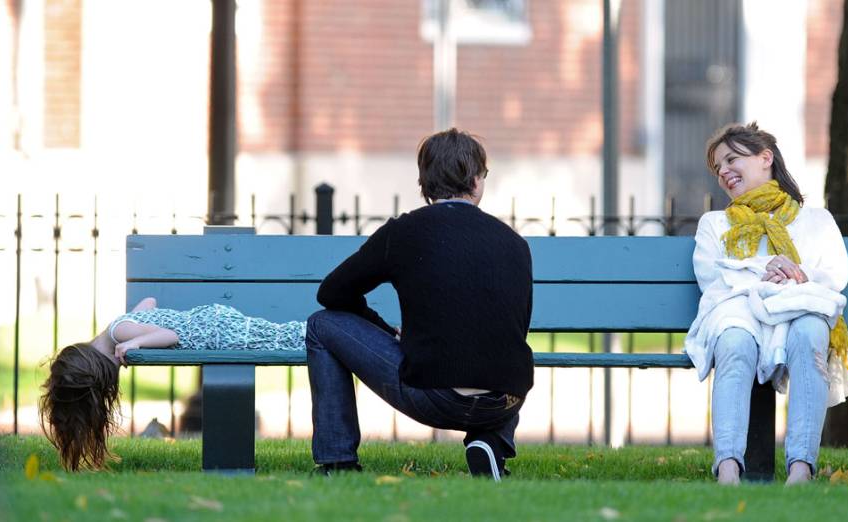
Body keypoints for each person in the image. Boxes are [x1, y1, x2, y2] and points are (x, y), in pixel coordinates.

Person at [305, 128, 533, 481]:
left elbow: (332, 293)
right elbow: (516, 326)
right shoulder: (514, 242)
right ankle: (490, 443)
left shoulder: (404, 232)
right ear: (476, 181)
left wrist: (382, 329)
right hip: (505, 401)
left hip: (436, 395)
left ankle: (338, 461)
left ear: (424, 183)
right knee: (503, 353)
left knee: (322, 324)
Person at [684, 122, 848, 486]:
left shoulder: (815, 220)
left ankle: (801, 469)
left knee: (810, 334)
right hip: (740, 314)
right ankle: (727, 468)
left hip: (800, 312)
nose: (723, 172)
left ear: (765, 158)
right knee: (733, 342)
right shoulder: (715, 224)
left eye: (731, 159)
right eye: (718, 167)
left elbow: (834, 274)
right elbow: (712, 278)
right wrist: (766, 269)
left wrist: (794, 275)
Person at [39, 297, 305, 471]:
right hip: (211, 323)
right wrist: (140, 329)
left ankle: (316, 329)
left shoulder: (119, 332)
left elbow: (170, 335)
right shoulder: (117, 328)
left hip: (216, 332)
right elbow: (149, 303)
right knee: (278, 336)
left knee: (282, 339)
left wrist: (136, 341)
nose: (118, 367)